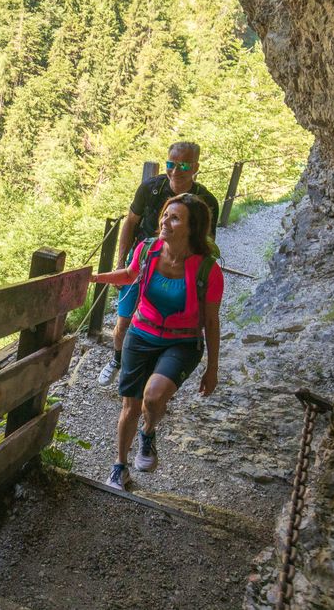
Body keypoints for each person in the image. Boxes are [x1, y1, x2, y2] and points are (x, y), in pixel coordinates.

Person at [90, 193, 223, 490]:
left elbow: (212, 322)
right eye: (165, 215)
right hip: (141, 334)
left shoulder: (208, 270)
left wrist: (212, 367)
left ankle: (148, 432)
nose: (165, 221)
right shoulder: (148, 250)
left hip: (182, 342)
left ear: (192, 227)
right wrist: (96, 278)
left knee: (152, 397)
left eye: (175, 218)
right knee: (130, 405)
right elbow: (129, 275)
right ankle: (119, 467)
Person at [97, 142, 220, 386]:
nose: (175, 170)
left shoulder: (206, 201)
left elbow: (207, 242)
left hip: (179, 268)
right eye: (171, 164)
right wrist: (121, 261)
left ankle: (158, 371)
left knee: (165, 318)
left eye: (183, 165)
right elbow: (130, 223)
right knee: (124, 320)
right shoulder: (150, 188)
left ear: (195, 167)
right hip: (142, 258)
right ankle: (118, 359)